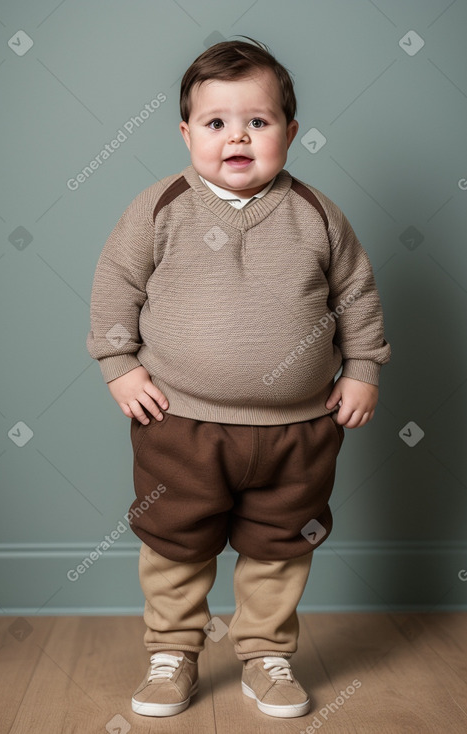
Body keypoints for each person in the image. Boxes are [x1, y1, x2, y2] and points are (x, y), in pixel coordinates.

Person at [86, 37, 391, 720]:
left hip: (298, 429)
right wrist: (119, 365)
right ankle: (172, 654)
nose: (237, 136)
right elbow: (115, 287)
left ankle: (265, 654)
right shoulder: (159, 207)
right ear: (186, 132)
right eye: (216, 121)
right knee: (174, 544)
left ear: (289, 131)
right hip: (179, 424)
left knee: (281, 547)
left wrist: (363, 367)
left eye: (258, 121)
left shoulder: (316, 213)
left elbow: (357, 296)